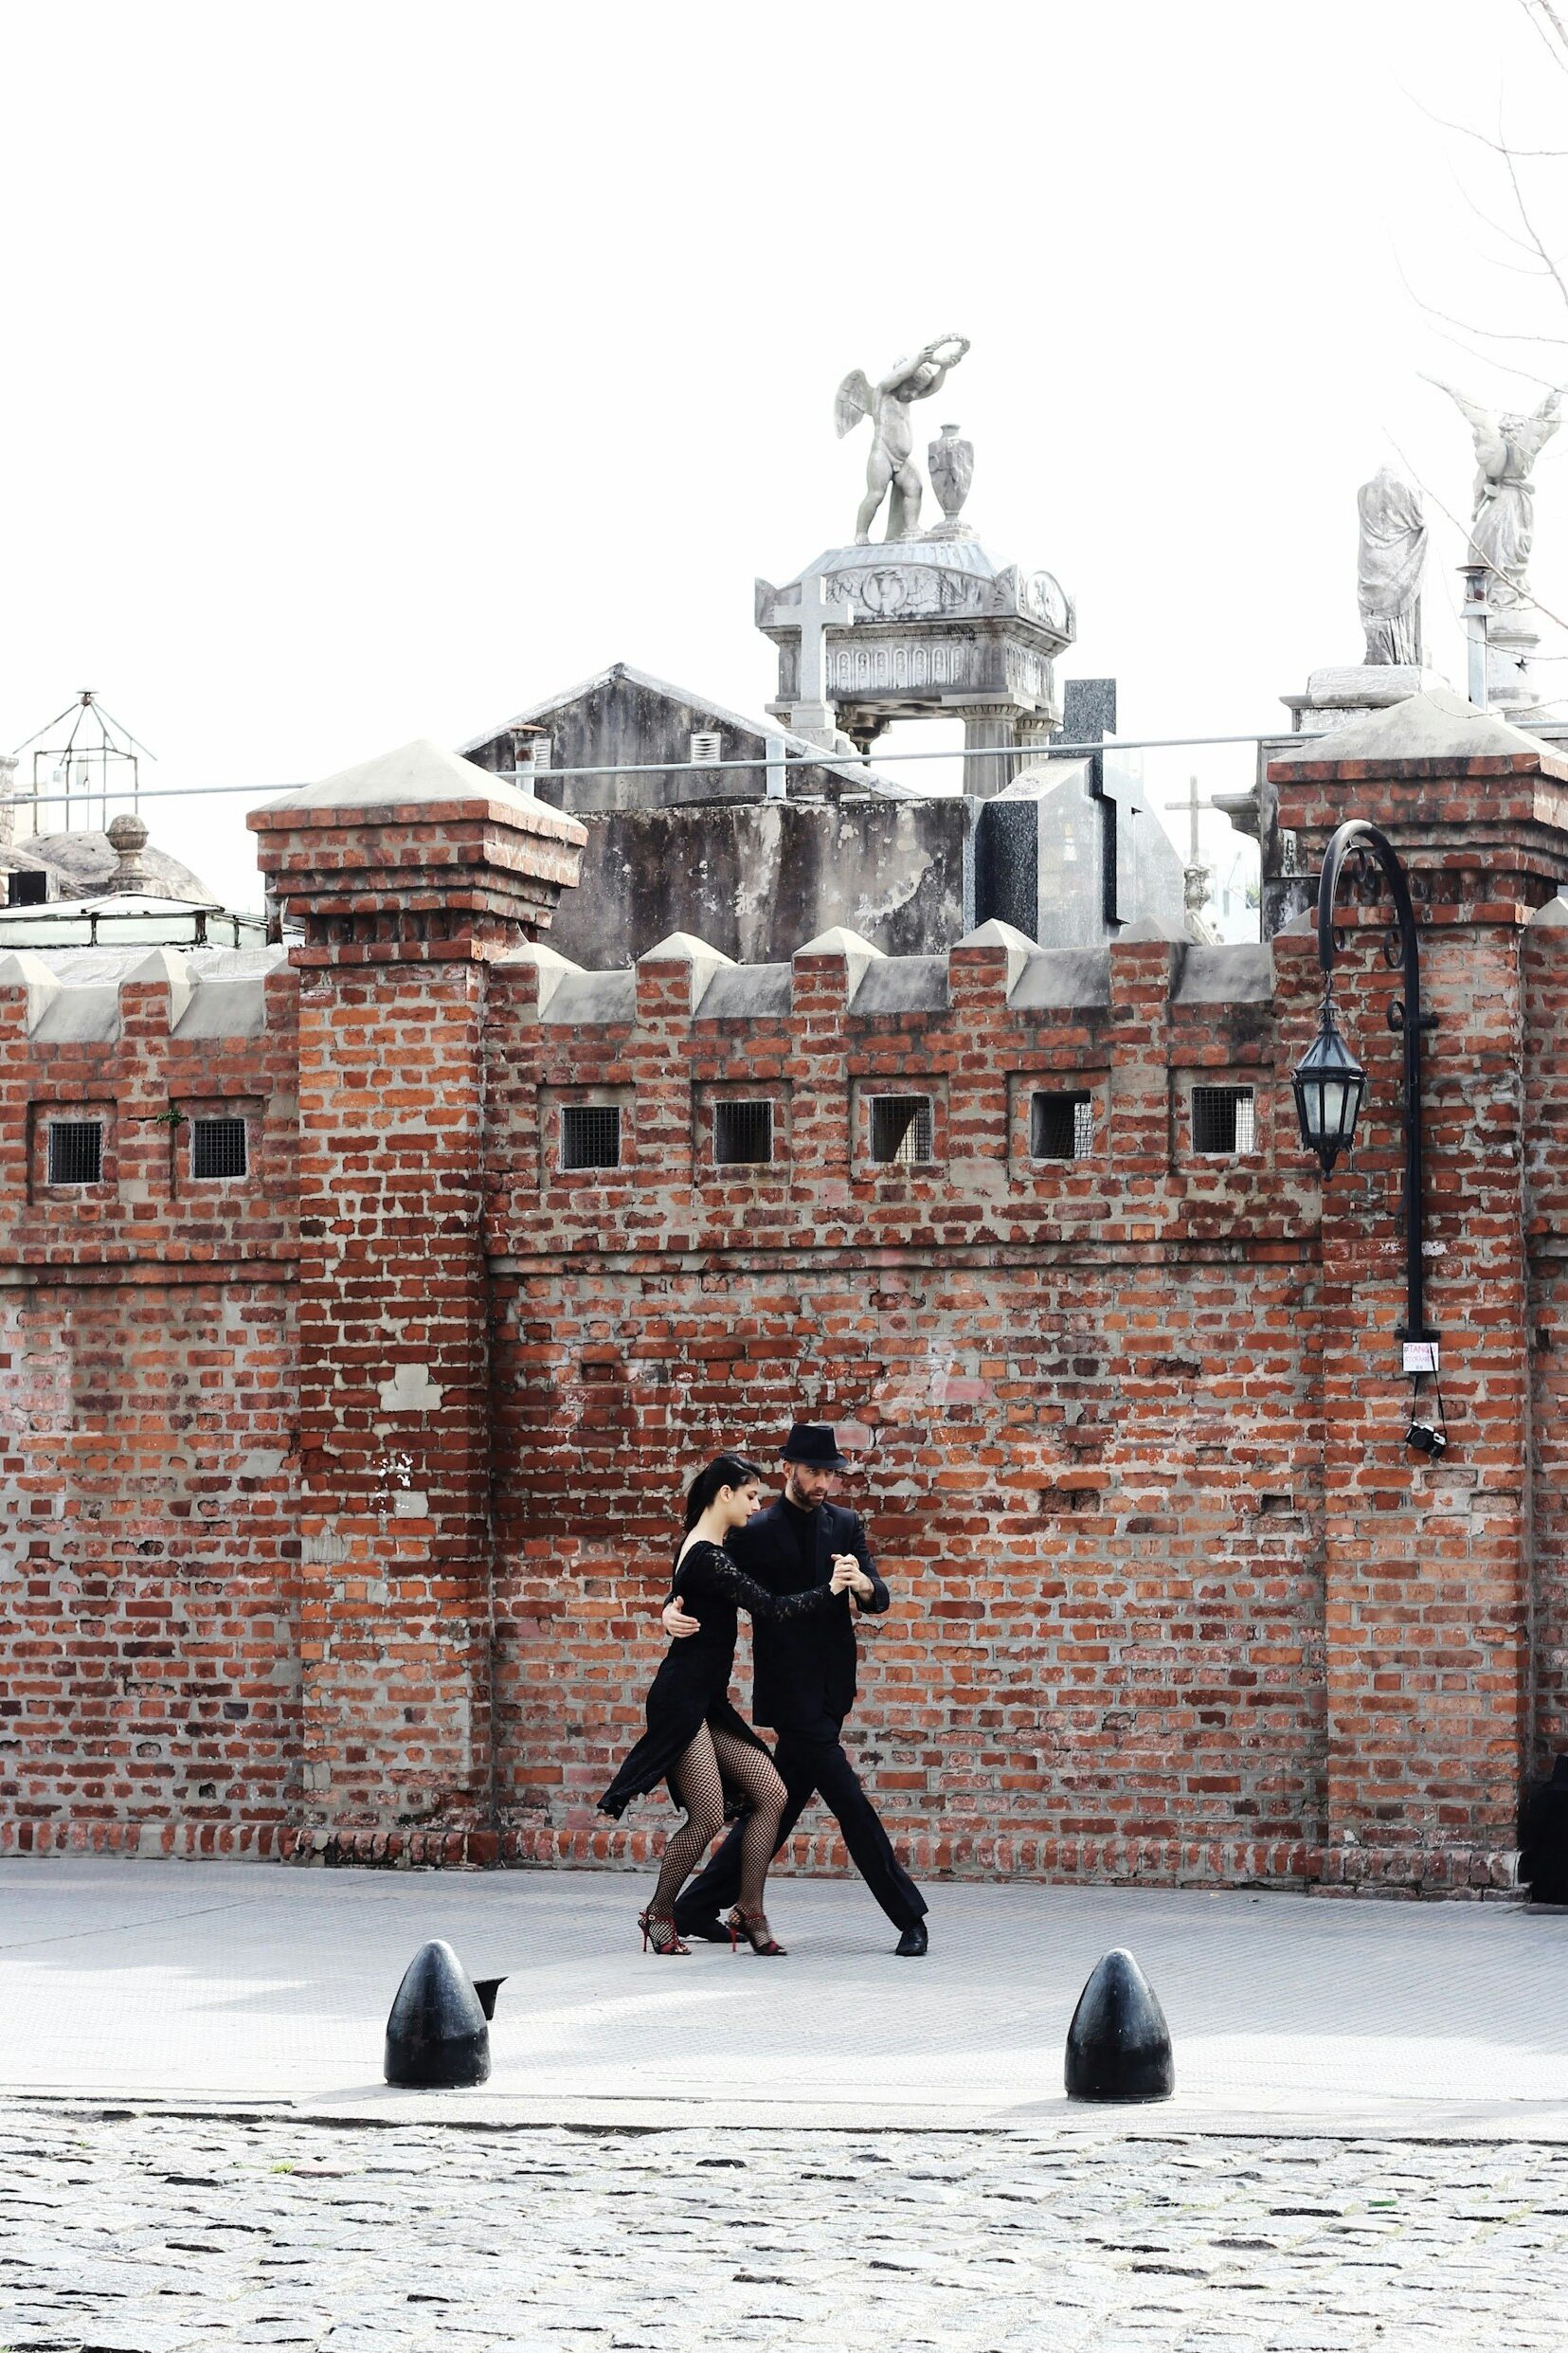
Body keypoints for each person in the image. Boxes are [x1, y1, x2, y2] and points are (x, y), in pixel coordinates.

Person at [661, 1424, 929, 1957]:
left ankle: (694, 1906)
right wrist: (669, 1607)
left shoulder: (846, 1524)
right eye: (814, 1471)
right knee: (850, 1803)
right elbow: (699, 1562)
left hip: (834, 1689)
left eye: (830, 1472)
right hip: (790, 1691)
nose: (824, 1481)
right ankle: (909, 1916)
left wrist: (863, 1585)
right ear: (790, 1469)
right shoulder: (755, 1529)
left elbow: (880, 1599)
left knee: (775, 1806)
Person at [597, 1451, 856, 1957]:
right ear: (726, 1494)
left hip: (705, 1699)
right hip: (682, 1700)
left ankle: (749, 1908)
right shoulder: (709, 1555)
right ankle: (659, 1912)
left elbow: (681, 1591)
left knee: (771, 1794)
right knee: (707, 1814)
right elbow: (773, 1608)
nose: (758, 1506)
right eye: (752, 1496)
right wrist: (830, 1590)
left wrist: (665, 1610)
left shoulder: (707, 1543)